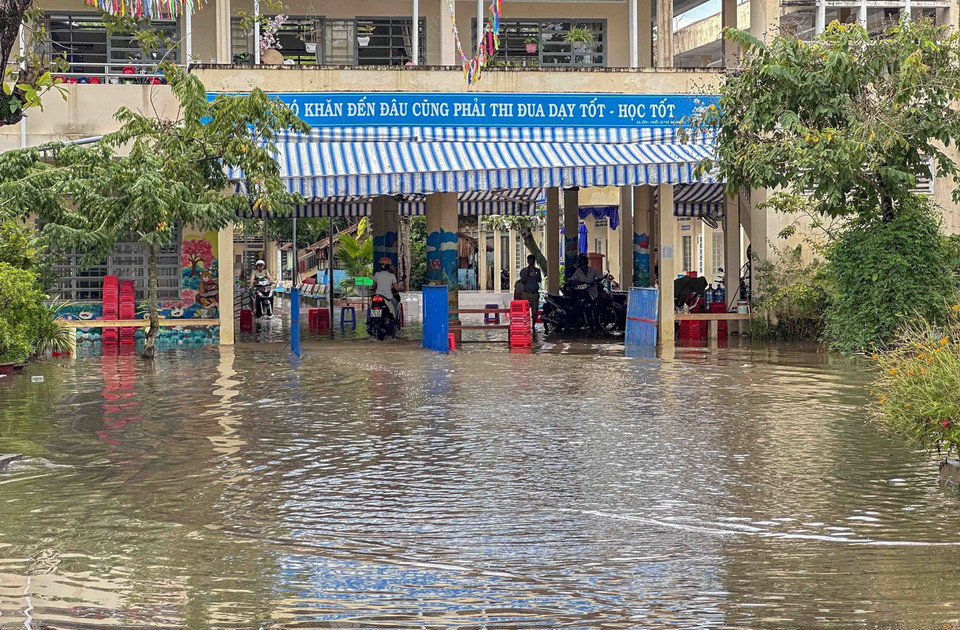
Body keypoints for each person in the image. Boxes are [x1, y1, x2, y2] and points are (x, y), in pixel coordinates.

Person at [567, 254, 603, 329]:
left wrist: (596, 280)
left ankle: (596, 323)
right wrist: (574, 283)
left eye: (584, 265)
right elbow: (572, 280)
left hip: (593, 293)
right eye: (581, 265)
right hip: (583, 294)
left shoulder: (592, 271)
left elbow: (600, 276)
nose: (583, 267)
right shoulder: (578, 272)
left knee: (595, 308)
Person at [518, 254, 542, 331]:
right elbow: (523, 281)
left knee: (535, 311)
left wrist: (536, 274)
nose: (531, 262)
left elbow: (539, 280)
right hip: (526, 293)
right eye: (530, 260)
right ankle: (526, 325)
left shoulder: (537, 270)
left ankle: (533, 325)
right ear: (528, 261)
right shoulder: (524, 271)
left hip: (535, 293)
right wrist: (528, 273)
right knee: (525, 311)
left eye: (533, 261)